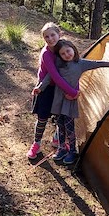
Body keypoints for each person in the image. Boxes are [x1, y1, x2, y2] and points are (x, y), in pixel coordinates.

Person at [35, 38, 109, 165]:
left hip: (69, 102)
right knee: (60, 125)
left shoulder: (81, 63)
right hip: (58, 100)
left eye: (68, 51)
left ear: (73, 49)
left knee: (69, 127)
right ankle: (62, 148)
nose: (66, 55)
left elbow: (98, 63)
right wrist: (40, 88)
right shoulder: (58, 63)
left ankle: (72, 151)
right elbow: (49, 77)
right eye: (63, 54)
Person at [27, 22, 79, 160]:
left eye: (52, 35)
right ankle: (36, 144)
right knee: (42, 118)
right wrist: (73, 92)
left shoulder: (62, 47)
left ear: (59, 34)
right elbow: (54, 76)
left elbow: (74, 67)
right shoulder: (46, 54)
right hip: (46, 89)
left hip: (60, 88)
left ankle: (57, 139)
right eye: (46, 37)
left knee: (60, 116)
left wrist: (75, 88)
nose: (50, 39)